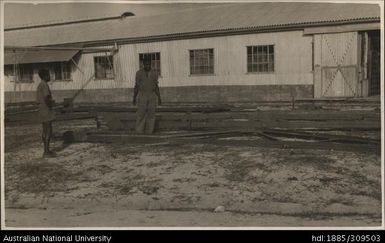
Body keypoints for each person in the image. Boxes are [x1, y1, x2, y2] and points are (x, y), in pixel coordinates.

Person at [133, 58, 162, 134]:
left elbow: (156, 86)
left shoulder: (154, 73)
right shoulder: (139, 73)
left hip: (152, 95)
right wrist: (134, 97)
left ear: (151, 64)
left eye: (149, 64)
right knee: (141, 113)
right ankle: (139, 131)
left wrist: (159, 98)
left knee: (151, 114)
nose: (147, 66)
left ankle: (149, 132)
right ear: (143, 64)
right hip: (142, 95)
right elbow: (136, 86)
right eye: (146, 64)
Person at [36, 69, 56, 157]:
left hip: (42, 109)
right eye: (48, 75)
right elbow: (46, 98)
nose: (49, 76)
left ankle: (46, 150)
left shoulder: (40, 85)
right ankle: (46, 152)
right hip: (46, 109)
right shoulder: (44, 85)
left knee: (45, 129)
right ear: (44, 76)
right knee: (48, 129)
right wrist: (51, 103)